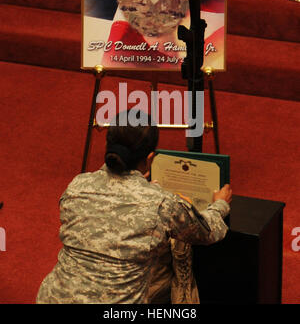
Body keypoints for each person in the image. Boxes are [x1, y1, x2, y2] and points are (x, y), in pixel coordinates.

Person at [36, 110, 232, 304]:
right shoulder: (162, 204)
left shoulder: (77, 185)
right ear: (149, 159)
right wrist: (220, 205)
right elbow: (208, 232)